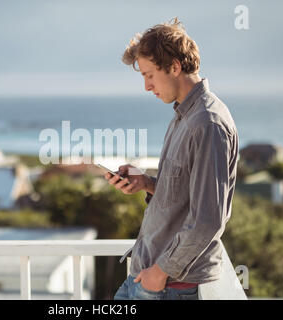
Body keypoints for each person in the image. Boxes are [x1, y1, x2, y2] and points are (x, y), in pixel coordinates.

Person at [106, 18, 239, 300]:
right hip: (149, 278)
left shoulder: (207, 124)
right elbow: (186, 196)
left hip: (169, 286)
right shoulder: (184, 116)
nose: (146, 86)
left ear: (175, 67)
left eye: (149, 75)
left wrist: (161, 272)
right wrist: (146, 183)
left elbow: (208, 218)